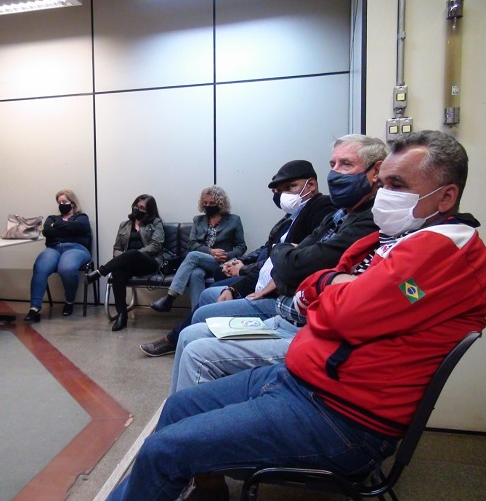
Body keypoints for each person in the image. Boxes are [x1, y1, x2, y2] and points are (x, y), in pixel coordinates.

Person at [105, 130, 486, 501]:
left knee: (162, 451)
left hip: (342, 417)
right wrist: (333, 285)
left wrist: (328, 290)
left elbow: (337, 309)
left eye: (397, 185)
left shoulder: (442, 251)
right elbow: (317, 279)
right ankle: (202, 487)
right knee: (179, 406)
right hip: (301, 380)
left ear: (446, 196)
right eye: (383, 183)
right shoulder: (396, 237)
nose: (383, 194)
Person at [169, 134, 387, 393]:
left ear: (376, 172)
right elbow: (276, 254)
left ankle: (171, 309)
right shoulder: (335, 215)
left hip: (293, 314)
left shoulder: (335, 211)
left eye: (346, 164)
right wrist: (259, 264)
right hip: (280, 302)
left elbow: (295, 262)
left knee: (199, 325)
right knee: (196, 292)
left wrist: (251, 264)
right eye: (333, 165)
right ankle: (181, 376)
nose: (335, 173)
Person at [140, 159, 335, 357]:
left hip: (269, 290)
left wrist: (234, 260)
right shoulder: (290, 217)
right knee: (197, 272)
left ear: (311, 185)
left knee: (196, 265)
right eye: (205, 204)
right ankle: (185, 336)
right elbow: (267, 253)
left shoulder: (320, 208)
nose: (283, 195)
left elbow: (254, 251)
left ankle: (178, 321)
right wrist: (225, 261)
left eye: (290, 187)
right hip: (213, 261)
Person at [150, 185, 246, 311]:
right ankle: (198, 313)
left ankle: (170, 297)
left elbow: (241, 246)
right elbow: (191, 244)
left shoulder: (234, 220)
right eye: (205, 203)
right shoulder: (198, 220)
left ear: (220, 204)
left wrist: (227, 255)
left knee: (193, 256)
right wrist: (210, 251)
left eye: (211, 203)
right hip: (203, 261)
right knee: (195, 273)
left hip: (223, 263)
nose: (208, 206)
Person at [86, 195, 164, 331]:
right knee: (118, 272)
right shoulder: (124, 225)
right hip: (128, 263)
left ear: (149, 211)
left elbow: (156, 246)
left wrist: (135, 254)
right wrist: (125, 256)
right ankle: (122, 314)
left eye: (141, 208)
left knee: (132, 253)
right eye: (136, 206)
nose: (137, 209)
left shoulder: (156, 223)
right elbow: (116, 249)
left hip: (149, 262)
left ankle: (100, 272)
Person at [24, 189, 92, 322]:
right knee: (40, 267)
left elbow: (81, 227)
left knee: (66, 268)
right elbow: (47, 231)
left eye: (64, 202)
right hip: (54, 248)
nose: (61, 204)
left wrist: (58, 226)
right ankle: (34, 308)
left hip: (76, 248)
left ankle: (69, 302)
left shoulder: (82, 217)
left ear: (72, 203)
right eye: (59, 202)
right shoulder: (52, 218)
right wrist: (67, 227)